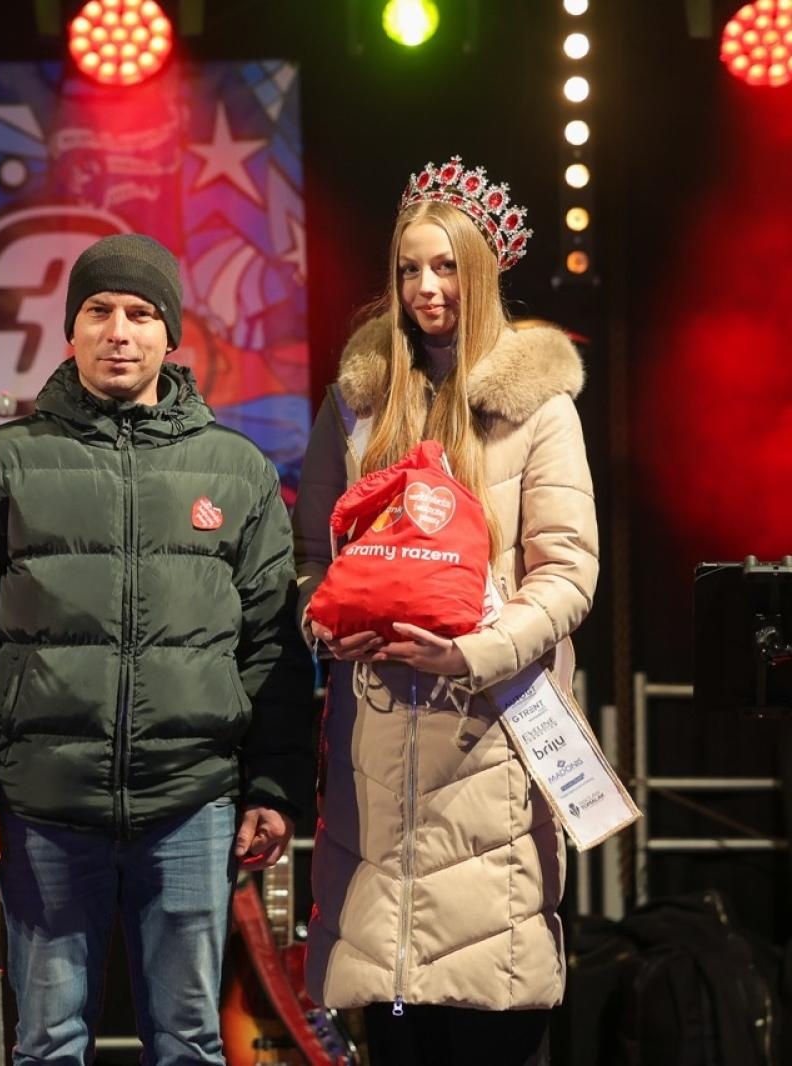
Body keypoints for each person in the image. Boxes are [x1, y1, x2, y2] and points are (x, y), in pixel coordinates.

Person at [0, 233, 317, 1064]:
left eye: (140, 313)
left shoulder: (236, 471)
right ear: (70, 330)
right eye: (98, 311)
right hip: (43, 806)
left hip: (193, 804)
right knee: (48, 1045)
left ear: (172, 335)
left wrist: (274, 784)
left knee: (192, 1043)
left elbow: (271, 645)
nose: (119, 331)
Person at [294, 156, 599, 1066]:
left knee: (494, 1013)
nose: (426, 288)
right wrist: (326, 621)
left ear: (482, 272)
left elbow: (569, 571)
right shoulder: (354, 406)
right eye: (408, 269)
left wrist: (476, 653)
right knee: (393, 1025)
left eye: (444, 268)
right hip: (375, 743)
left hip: (495, 737)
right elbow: (314, 557)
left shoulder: (540, 407)